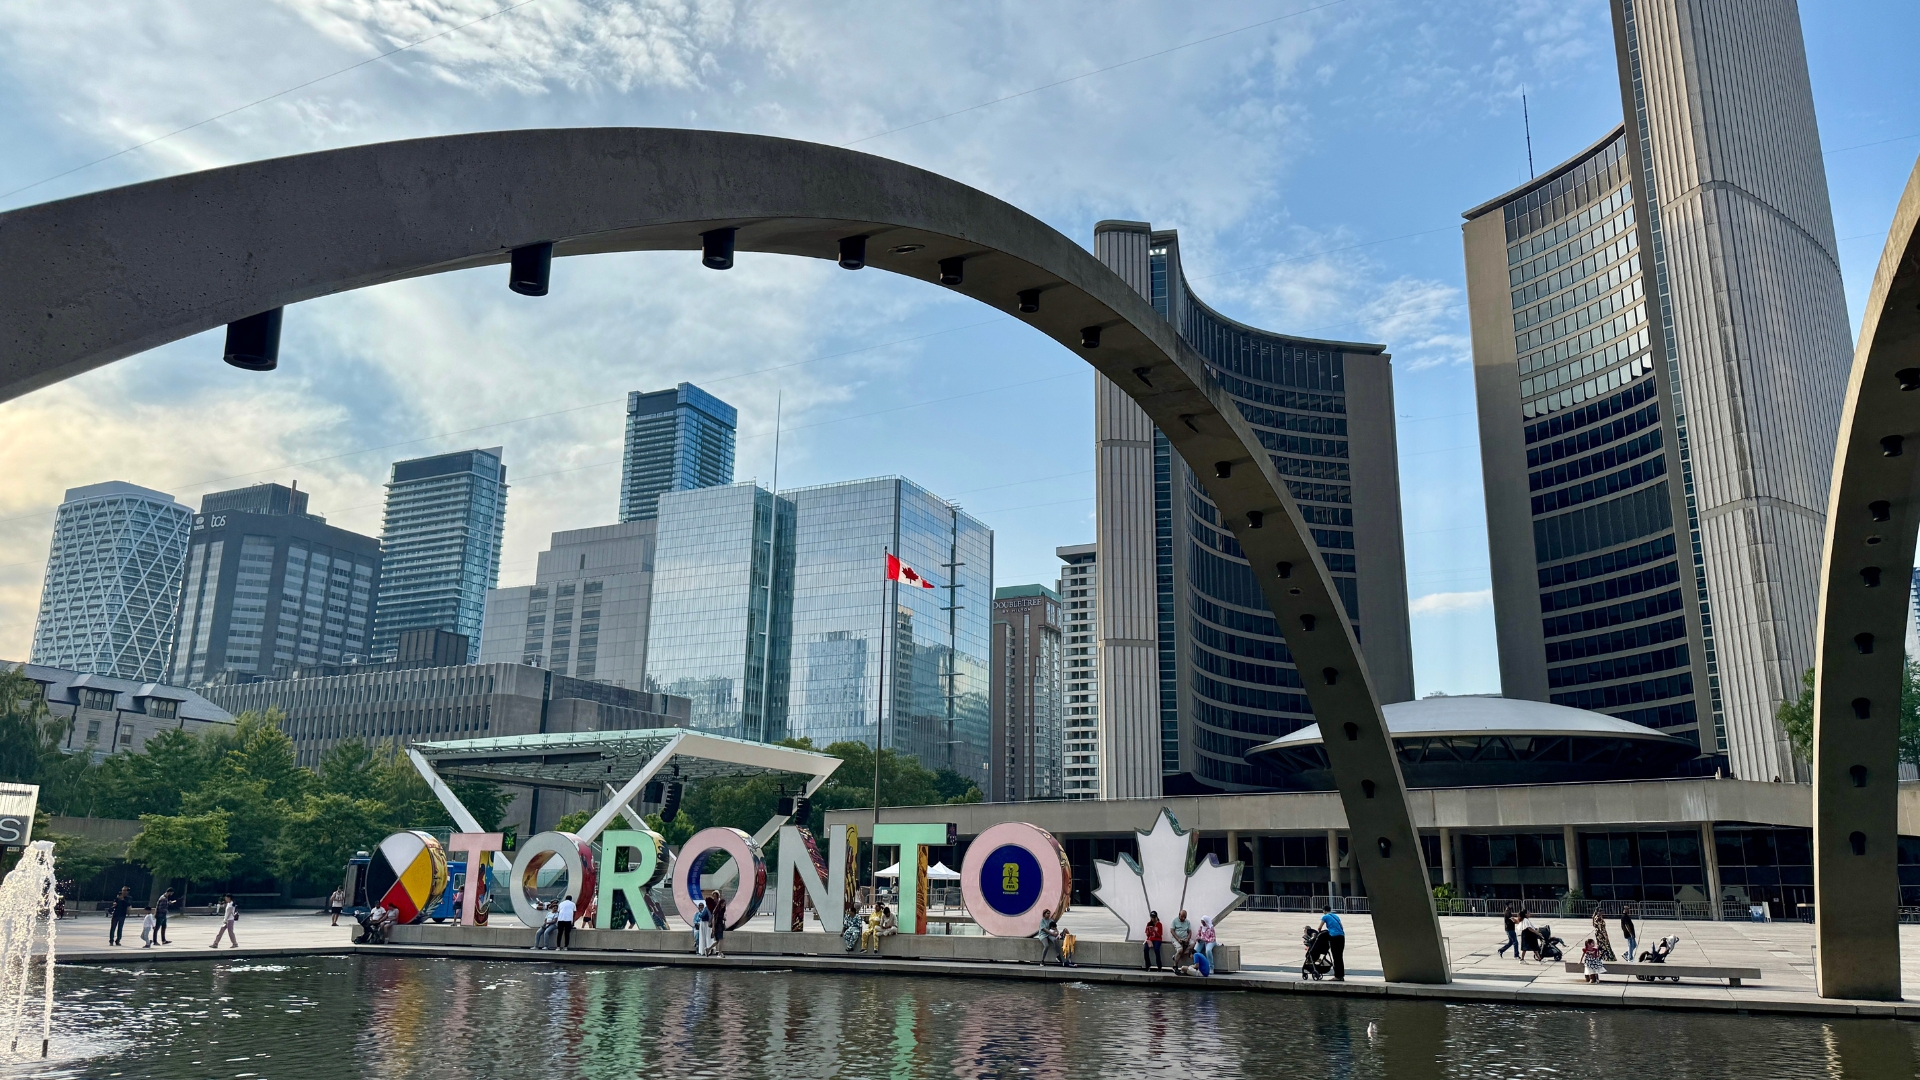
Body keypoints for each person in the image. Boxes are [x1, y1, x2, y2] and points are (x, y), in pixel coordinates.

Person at [1319, 905, 1346, 981]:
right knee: (1339, 957)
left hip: (1334, 937)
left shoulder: (1325, 917)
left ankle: (1337, 976)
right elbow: (1341, 926)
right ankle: (1341, 975)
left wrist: (1319, 933)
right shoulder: (1336, 916)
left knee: (1335, 957)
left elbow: (1319, 927)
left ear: (1324, 910)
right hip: (1341, 936)